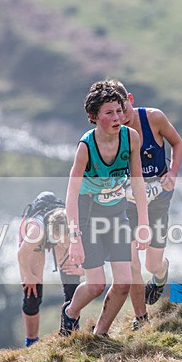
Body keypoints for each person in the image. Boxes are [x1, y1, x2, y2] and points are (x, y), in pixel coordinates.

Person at [62, 80, 150, 337]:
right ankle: (70, 314)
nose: (117, 117)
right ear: (93, 117)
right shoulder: (86, 147)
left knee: (123, 283)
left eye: (119, 111)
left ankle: (99, 335)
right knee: (96, 285)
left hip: (115, 212)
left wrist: (143, 224)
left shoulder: (131, 138)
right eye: (109, 113)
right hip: (87, 213)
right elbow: (71, 194)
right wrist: (75, 239)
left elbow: (138, 183)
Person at [109, 79, 182, 330]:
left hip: (158, 199)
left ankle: (162, 275)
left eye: (124, 110)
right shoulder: (111, 130)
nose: (121, 118)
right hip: (127, 203)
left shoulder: (153, 118)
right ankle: (141, 318)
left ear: (130, 100)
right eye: (115, 114)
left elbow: (178, 143)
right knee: (131, 260)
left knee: (152, 264)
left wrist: (172, 172)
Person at [18, 191, 84, 346]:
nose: (66, 246)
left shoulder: (77, 227)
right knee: (32, 292)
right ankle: (31, 341)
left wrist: (83, 270)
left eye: (69, 242)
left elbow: (97, 260)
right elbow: (21, 254)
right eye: (62, 242)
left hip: (61, 227)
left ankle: (70, 332)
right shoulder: (36, 231)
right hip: (36, 238)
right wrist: (28, 276)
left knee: (72, 285)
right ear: (53, 234)